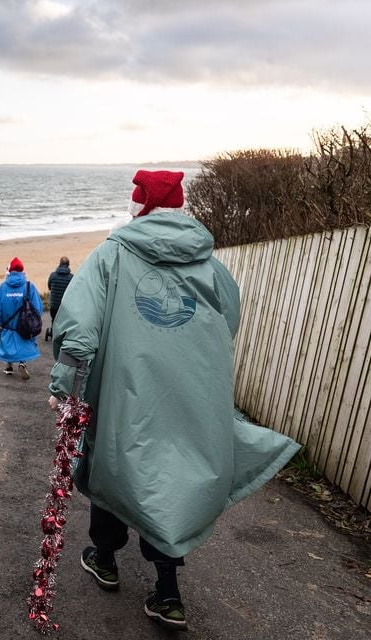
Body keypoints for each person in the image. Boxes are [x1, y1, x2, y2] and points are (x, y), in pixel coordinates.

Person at [47, 170, 299, 631]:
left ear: (138, 208)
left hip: (125, 393)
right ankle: (167, 590)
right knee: (172, 479)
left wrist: (66, 389)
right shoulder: (210, 263)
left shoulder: (111, 256)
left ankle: (104, 557)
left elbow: (78, 330)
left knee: (114, 464)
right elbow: (229, 320)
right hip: (189, 395)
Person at [0, 257, 43, 380]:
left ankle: (9, 366)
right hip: (24, 325)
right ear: (22, 271)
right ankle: (22, 363)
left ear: (9, 271)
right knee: (23, 342)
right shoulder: (29, 286)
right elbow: (37, 307)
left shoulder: (3, 287)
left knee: (7, 343)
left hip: (8, 324)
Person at [44, 256, 73, 342]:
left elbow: (49, 287)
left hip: (54, 304)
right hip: (65, 305)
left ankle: (53, 333)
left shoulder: (53, 275)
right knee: (64, 321)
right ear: (68, 265)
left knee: (54, 320)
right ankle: (62, 335)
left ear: (60, 264)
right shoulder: (71, 277)